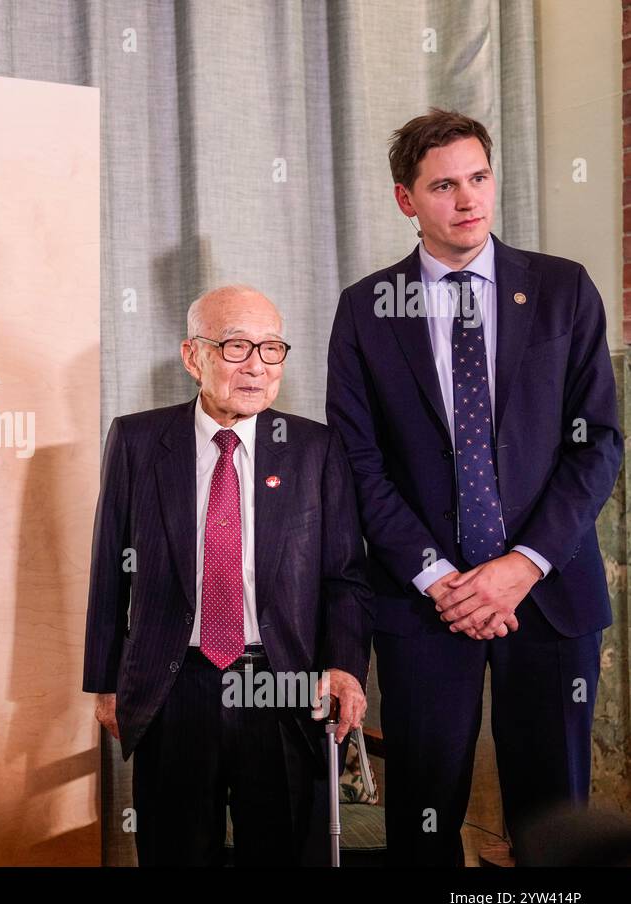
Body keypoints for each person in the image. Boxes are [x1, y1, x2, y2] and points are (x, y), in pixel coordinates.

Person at [326, 109, 622, 865]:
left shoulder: (562, 289)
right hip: (426, 607)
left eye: (479, 177)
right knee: (422, 817)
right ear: (406, 199)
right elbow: (359, 463)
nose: (468, 200)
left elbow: (597, 444)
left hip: (549, 598)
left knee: (554, 823)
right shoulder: (365, 310)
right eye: (445, 185)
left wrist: (520, 566)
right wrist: (441, 579)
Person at [84, 285, 372, 865]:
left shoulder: (314, 447)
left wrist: (343, 664)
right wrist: (105, 682)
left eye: (271, 349)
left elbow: (344, 574)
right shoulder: (139, 440)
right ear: (193, 356)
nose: (257, 366)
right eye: (237, 346)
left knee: (288, 849)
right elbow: (108, 570)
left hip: (284, 684)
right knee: (176, 852)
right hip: (175, 684)